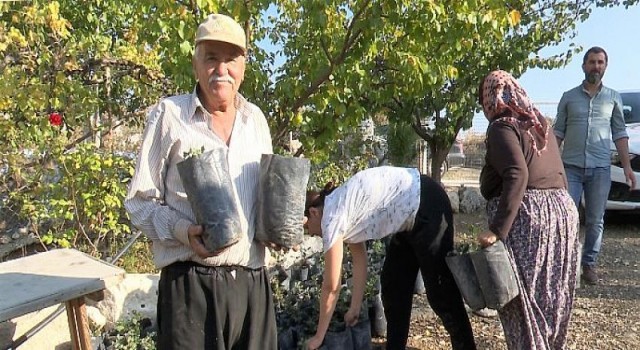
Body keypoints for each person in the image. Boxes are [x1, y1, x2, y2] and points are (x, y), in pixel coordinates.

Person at [125, 14, 277, 349]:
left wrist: (276, 227)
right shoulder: (170, 116)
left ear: (244, 66)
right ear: (196, 63)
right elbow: (138, 203)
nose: (221, 70)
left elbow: (264, 200)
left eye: (231, 59)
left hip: (252, 286)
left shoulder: (256, 121)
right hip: (191, 288)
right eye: (211, 58)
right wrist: (181, 231)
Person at [303, 166, 476, 350]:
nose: (312, 234)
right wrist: (354, 308)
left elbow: (331, 286)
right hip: (411, 215)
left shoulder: (331, 216)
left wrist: (318, 337)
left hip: (427, 205)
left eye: (308, 229)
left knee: (441, 294)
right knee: (394, 284)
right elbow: (359, 259)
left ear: (313, 212)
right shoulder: (340, 205)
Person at [478, 70, 580, 349]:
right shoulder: (537, 124)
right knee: (550, 297)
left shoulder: (502, 126)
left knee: (524, 303)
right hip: (562, 212)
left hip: (531, 219)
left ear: (490, 96)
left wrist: (496, 230)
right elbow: (558, 174)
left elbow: (516, 174)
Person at [554, 46, 636, 285]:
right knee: (567, 217)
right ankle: (566, 265)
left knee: (595, 219)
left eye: (600, 62)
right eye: (592, 62)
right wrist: (548, 163)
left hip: (600, 168)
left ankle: (588, 265)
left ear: (605, 67)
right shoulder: (568, 97)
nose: (596, 66)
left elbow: (620, 134)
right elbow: (557, 133)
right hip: (570, 167)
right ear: (584, 65)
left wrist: (627, 168)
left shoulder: (613, 98)